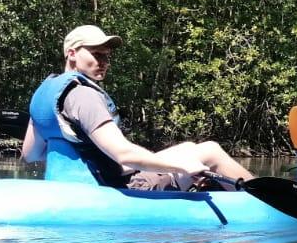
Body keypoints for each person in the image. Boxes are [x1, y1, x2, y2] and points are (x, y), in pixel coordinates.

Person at [21, 24, 255, 191]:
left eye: (107, 56)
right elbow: (124, 154)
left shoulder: (46, 92)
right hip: (113, 189)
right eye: (96, 54)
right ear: (72, 53)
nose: (104, 62)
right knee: (210, 151)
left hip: (73, 186)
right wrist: (181, 166)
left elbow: (30, 155)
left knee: (189, 147)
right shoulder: (84, 95)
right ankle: (265, 204)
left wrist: (78, 155)